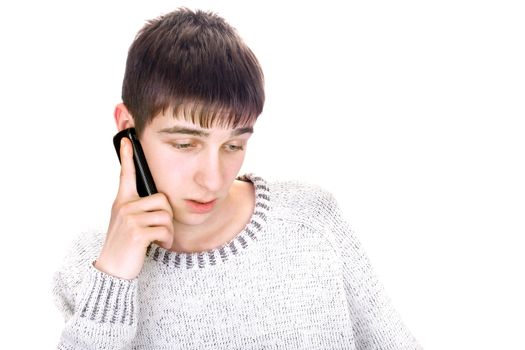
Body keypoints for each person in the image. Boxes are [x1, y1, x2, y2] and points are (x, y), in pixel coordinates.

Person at [52, 7, 422, 349]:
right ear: (128, 129)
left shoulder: (310, 221)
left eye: (233, 145)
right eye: (184, 144)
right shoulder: (91, 267)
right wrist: (114, 278)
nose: (213, 180)